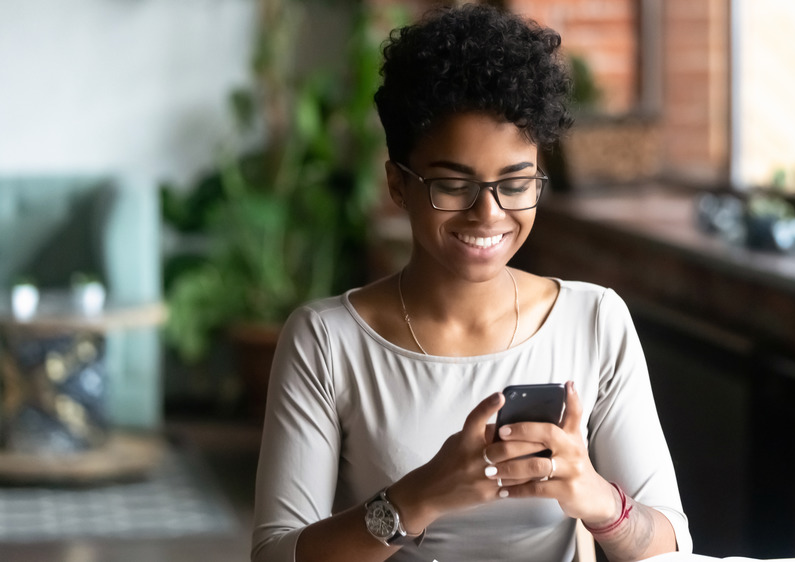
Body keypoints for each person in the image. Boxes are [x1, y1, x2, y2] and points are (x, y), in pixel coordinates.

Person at [252, 4, 691, 561]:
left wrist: (599, 499)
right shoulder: (326, 341)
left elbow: (671, 548)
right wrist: (418, 496)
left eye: (516, 183)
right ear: (398, 184)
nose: (489, 214)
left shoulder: (595, 321)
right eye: (453, 185)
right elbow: (274, 556)